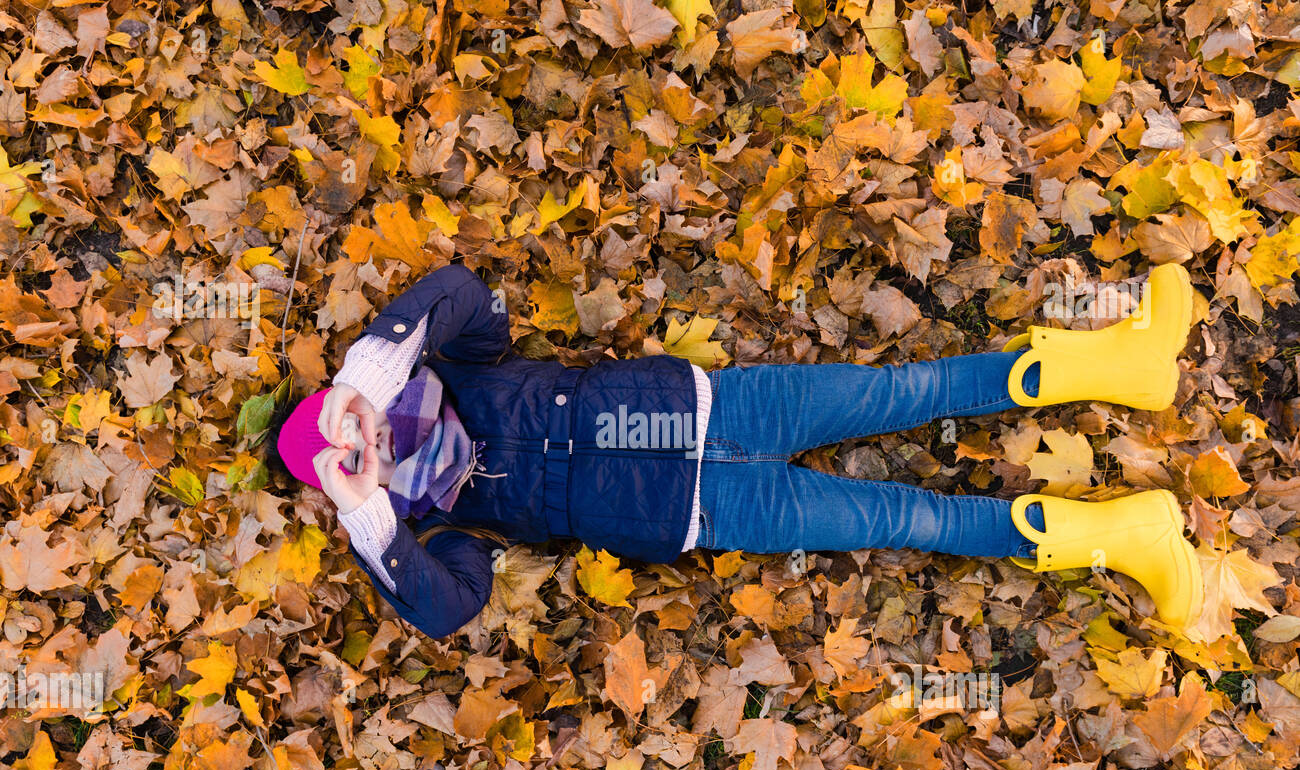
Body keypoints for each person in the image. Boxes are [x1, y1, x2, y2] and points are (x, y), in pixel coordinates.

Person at [267, 263, 1203, 640]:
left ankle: (1119, 360)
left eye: (353, 418)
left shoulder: (466, 367)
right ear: (352, 491)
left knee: (905, 390)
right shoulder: (441, 526)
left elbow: (462, 292)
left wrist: (370, 368)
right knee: (907, 517)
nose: (366, 441)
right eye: (344, 458)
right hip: (716, 513)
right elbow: (444, 610)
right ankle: (1120, 537)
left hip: (723, 406)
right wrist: (370, 519)